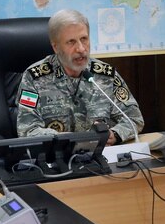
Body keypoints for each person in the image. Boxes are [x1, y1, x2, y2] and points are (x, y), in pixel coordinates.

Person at [17, 9, 144, 145]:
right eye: (71, 42)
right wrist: (69, 140)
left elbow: (134, 118)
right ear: (56, 47)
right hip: (56, 160)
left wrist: (116, 134)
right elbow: (27, 130)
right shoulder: (33, 78)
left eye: (84, 39)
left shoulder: (106, 75)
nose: (81, 49)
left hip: (101, 158)